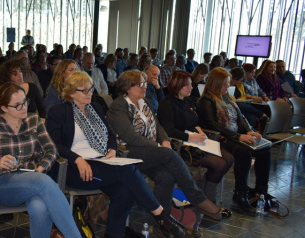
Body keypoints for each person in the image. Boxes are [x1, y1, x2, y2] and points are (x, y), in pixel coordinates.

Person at [47, 71, 201, 238]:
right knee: (127, 170)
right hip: (75, 168)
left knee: (125, 190)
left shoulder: (95, 108)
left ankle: (115, 234)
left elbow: (110, 135)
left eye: (90, 89)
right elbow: (55, 144)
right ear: (70, 92)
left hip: (101, 163)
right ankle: (165, 219)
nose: (89, 93)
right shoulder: (59, 112)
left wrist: (112, 149)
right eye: (83, 90)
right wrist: (77, 159)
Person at [107, 70, 231, 222]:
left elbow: (158, 126)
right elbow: (130, 137)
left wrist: (165, 141)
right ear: (127, 87)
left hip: (149, 153)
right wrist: (159, 146)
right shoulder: (118, 106)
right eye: (141, 84)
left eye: (145, 83)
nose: (145, 87)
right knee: (169, 154)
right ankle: (199, 199)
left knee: (166, 177)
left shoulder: (143, 102)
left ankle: (163, 224)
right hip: (128, 154)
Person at [0, 82, 81, 238]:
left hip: (33, 178)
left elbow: (51, 150)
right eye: (17, 105)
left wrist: (42, 166)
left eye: (25, 102)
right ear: (4, 107)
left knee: (40, 207)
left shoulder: (33, 120)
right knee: (44, 182)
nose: (24, 108)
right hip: (1, 184)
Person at [196, 67, 273, 216]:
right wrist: (238, 136)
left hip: (234, 135)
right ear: (216, 83)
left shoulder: (228, 98)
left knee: (265, 149)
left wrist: (248, 130)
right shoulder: (206, 100)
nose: (228, 87)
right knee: (244, 152)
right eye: (224, 84)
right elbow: (213, 125)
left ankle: (260, 192)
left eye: (228, 83)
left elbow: (240, 118)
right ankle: (240, 194)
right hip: (219, 138)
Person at [157, 70, 234, 203]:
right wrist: (191, 138)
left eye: (191, 84)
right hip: (180, 146)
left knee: (229, 158)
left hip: (194, 141)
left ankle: (203, 190)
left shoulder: (187, 101)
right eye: (187, 85)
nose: (191, 88)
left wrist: (200, 132)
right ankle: (209, 200)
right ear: (177, 86)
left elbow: (194, 122)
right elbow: (168, 131)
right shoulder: (167, 104)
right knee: (219, 164)